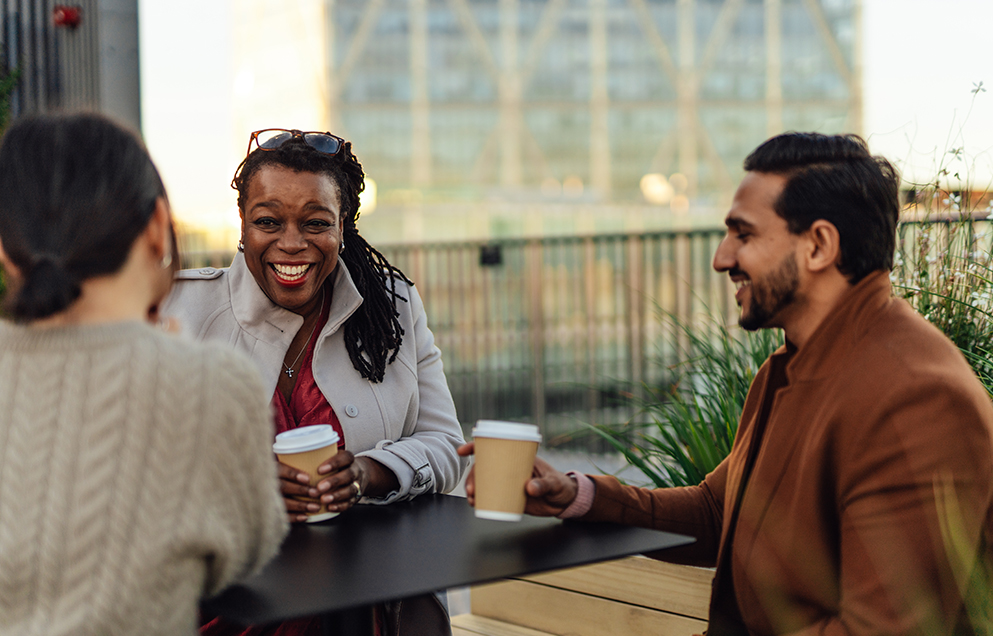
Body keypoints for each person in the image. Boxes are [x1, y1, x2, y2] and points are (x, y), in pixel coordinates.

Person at [460, 132, 993, 636]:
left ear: (819, 246)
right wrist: (576, 496)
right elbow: (720, 512)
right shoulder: (788, 368)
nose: (722, 258)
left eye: (744, 234)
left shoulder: (916, 398)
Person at [162, 129, 467, 635]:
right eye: (268, 221)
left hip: (363, 606)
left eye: (316, 223)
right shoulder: (179, 312)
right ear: (242, 224)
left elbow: (446, 445)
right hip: (219, 608)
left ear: (342, 226)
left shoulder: (391, 308)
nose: (291, 243)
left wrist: (369, 473)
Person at [0, 113, 288, 636]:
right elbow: (247, 552)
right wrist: (178, 367)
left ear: (4, 250)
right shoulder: (212, 384)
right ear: (158, 227)